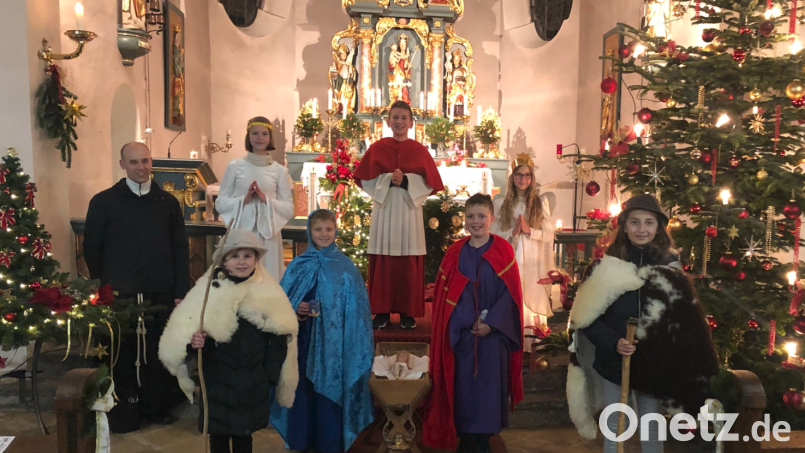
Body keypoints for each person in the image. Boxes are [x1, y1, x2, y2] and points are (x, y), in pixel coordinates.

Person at [566, 194, 719, 452]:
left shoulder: (670, 269)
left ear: (658, 227)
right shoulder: (605, 267)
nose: (642, 229)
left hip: (654, 363)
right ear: (624, 226)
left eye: (649, 222)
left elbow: (684, 321)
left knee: (652, 424)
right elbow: (586, 318)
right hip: (614, 362)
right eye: (635, 222)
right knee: (615, 422)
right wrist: (614, 342)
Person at [159, 229, 299, 453]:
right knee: (218, 438)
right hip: (217, 383)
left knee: (244, 438)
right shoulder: (207, 292)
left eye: (247, 256)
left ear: (256, 260)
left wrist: (269, 378)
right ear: (224, 261)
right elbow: (184, 333)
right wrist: (193, 344)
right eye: (234, 256)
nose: (241, 262)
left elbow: (280, 339)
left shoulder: (268, 293)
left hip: (253, 382)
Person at [83, 142, 189, 430]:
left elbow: (180, 248)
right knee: (122, 352)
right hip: (120, 292)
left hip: (160, 290)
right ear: (122, 165)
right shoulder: (104, 201)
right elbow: (92, 247)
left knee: (158, 350)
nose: (140, 167)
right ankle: (123, 409)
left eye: (145, 160)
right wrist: (103, 286)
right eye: (133, 162)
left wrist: (180, 290)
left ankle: (158, 406)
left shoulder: (167, 203)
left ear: (151, 162)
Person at [424, 194, 524, 453]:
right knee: (464, 394)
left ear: (492, 217)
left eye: (481, 216)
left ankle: (483, 442)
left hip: (493, 339)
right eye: (471, 216)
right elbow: (447, 296)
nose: (476, 221)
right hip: (464, 338)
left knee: (488, 394)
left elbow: (510, 296)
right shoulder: (454, 252)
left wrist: (491, 323)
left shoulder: (504, 250)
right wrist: (467, 320)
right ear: (464, 220)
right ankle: (466, 441)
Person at [270, 209, 374, 453]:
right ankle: (302, 439)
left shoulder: (345, 268)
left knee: (327, 390)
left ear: (335, 230)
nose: (324, 234)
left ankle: (328, 441)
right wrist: (296, 308)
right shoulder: (298, 265)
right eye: (318, 230)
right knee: (302, 388)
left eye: (328, 229)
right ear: (310, 231)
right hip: (303, 341)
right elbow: (282, 303)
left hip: (334, 346)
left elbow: (357, 312)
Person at [353, 100, 445, 330]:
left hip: (408, 209)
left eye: (404, 118)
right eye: (395, 117)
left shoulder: (419, 150)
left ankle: (408, 312)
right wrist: (386, 180)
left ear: (411, 122)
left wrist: (406, 180)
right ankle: (381, 311)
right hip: (385, 208)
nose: (399, 122)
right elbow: (365, 179)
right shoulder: (378, 147)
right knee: (383, 255)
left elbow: (429, 183)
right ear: (388, 121)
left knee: (408, 257)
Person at [216, 116, 294, 281]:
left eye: (264, 134)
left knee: (268, 280)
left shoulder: (279, 171)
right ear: (248, 136)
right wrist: (243, 200)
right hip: (242, 234)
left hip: (268, 236)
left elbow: (289, 209)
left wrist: (265, 199)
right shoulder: (235, 167)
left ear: (270, 137)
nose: (260, 138)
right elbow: (220, 204)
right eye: (255, 133)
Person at [491, 154, 555, 345]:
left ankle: (531, 343)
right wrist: (514, 231)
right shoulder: (501, 203)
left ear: (532, 178)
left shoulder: (539, 202)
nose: (523, 179)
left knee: (532, 293)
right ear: (512, 178)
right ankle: (511, 338)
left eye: (527, 175)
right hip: (512, 254)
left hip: (533, 258)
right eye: (519, 175)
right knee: (513, 291)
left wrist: (530, 231)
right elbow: (495, 233)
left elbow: (549, 234)